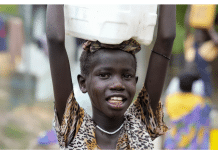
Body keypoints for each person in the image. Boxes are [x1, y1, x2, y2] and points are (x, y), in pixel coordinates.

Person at [46, 5, 176, 149]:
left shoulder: (139, 127)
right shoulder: (74, 130)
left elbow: (166, 39)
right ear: (83, 83)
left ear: (135, 81)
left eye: (127, 76)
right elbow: (55, 40)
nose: (118, 84)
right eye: (104, 75)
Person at [164, 70, 212, 149]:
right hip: (195, 145)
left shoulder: (170, 100)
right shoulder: (201, 102)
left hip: (174, 144)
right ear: (195, 86)